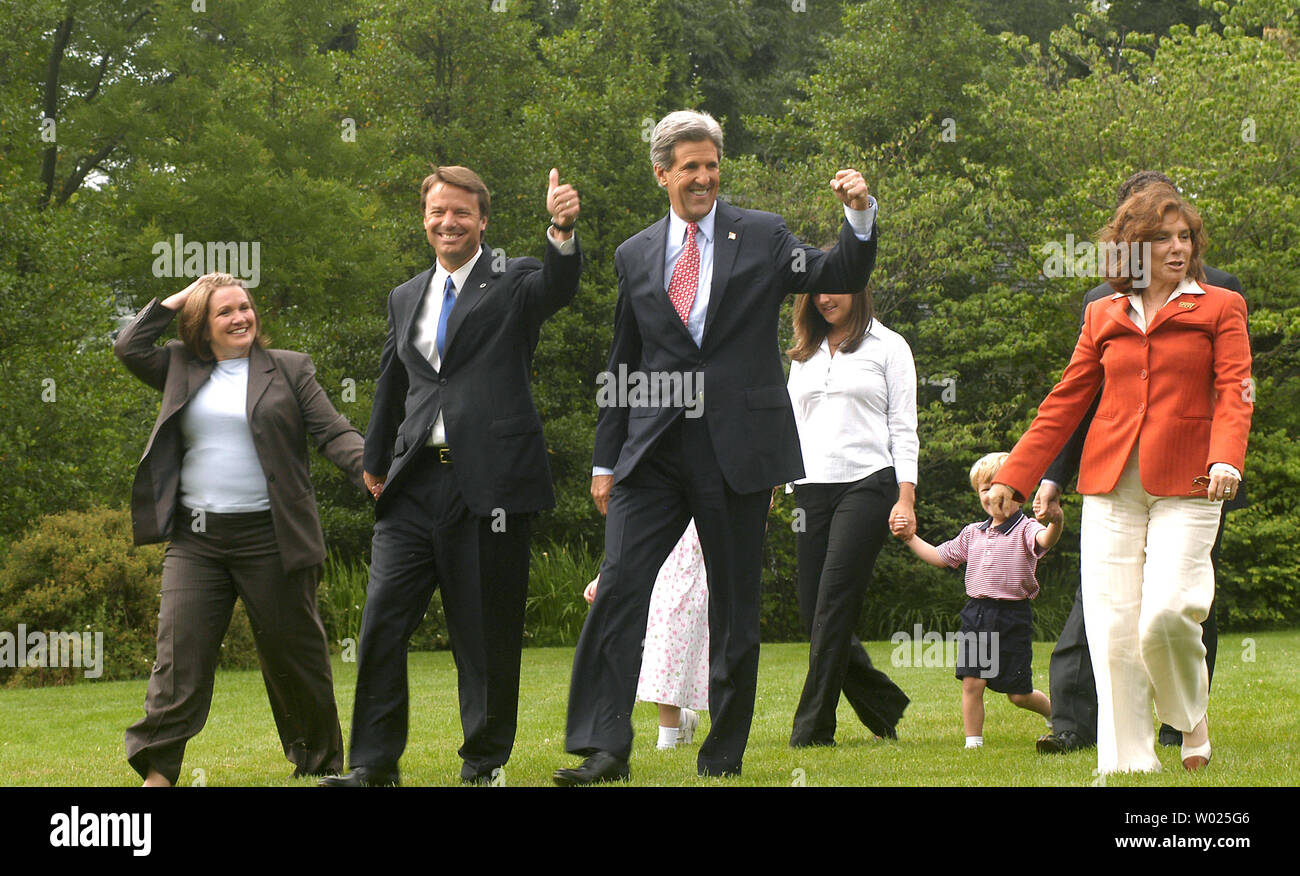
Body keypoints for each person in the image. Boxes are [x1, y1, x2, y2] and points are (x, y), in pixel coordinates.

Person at [555, 109, 878, 785]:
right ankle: (603, 748)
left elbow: (835, 268)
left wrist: (859, 215)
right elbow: (625, 359)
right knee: (618, 588)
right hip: (652, 450)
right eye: (689, 167)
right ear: (662, 173)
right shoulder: (635, 254)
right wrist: (605, 457)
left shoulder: (759, 234)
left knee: (734, 608)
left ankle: (721, 757)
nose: (703, 177)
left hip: (738, 448)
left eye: (711, 165)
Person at [321, 166, 582, 787]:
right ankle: (373, 763)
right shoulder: (406, 295)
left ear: (483, 221)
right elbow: (393, 382)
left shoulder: (514, 279)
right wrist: (374, 460)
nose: (449, 222)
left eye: (462, 212)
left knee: (484, 632)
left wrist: (562, 231)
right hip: (413, 486)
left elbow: (558, 286)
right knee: (382, 621)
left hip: (490, 488)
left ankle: (483, 761)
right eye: (438, 212)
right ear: (425, 219)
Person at [989, 184, 1253, 774]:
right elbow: (1066, 401)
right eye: (1163, 238)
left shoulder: (1218, 306)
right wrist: (1017, 474)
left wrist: (1226, 458)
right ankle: (1129, 765)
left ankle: (1190, 713)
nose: (1178, 248)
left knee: (1165, 614)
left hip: (1192, 481)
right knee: (1112, 633)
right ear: (1134, 247)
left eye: (1184, 237)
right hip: (1110, 484)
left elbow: (1235, 388)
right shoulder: (1101, 313)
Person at [116, 272, 366, 786]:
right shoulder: (179, 366)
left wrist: (374, 471)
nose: (240, 318)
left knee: (295, 658)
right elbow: (129, 344)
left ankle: (319, 765)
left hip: (272, 539)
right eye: (225, 311)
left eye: (245, 307)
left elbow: (332, 431)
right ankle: (158, 772)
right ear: (201, 326)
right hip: (196, 542)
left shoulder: (288, 369)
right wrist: (183, 295)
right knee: (177, 659)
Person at [784, 287, 913, 746]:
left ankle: (813, 729)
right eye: (816, 291)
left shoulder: (889, 346)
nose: (824, 299)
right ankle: (883, 702)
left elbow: (903, 426)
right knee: (811, 610)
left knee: (834, 603)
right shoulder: (804, 353)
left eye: (835, 288)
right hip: (810, 488)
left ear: (859, 291)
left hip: (869, 483)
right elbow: (790, 426)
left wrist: (906, 497)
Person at [895, 453, 1062, 748]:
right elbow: (939, 556)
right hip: (977, 614)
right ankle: (973, 744)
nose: (993, 496)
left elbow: (1046, 540)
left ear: (1019, 495)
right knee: (973, 681)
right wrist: (910, 537)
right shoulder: (972, 533)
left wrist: (1056, 520)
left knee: (1018, 695)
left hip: (1013, 616)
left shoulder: (1026, 528)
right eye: (985, 489)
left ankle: (1057, 716)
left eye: (1001, 488)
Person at [583, 520, 709, 750]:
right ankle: (682, 719)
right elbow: (630, 535)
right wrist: (604, 576)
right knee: (649, 663)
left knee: (670, 648)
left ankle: (666, 742)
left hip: (687, 574)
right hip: (652, 576)